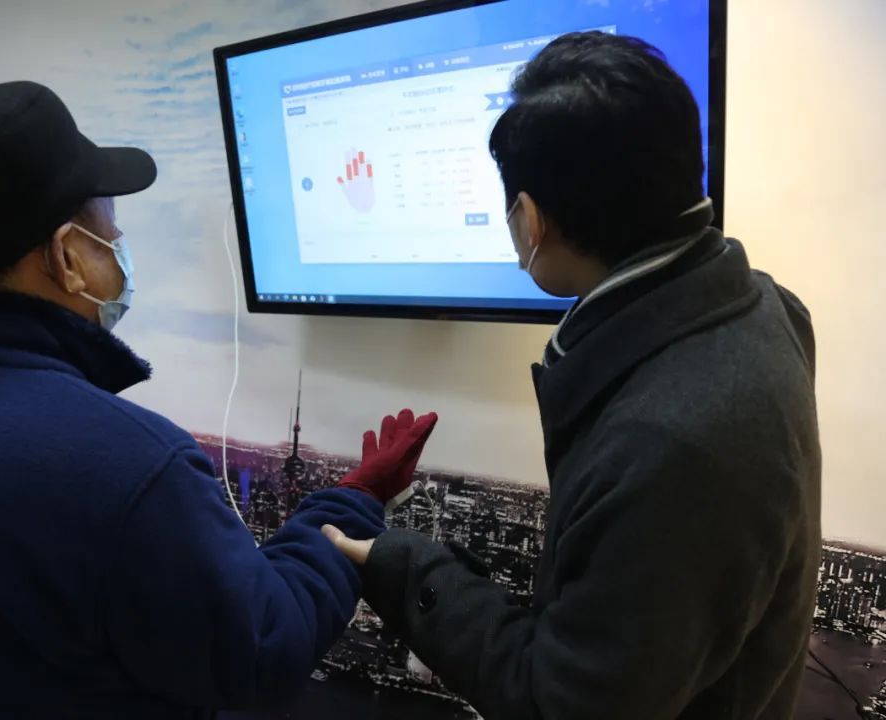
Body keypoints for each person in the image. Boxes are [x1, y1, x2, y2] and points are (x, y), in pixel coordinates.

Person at [0, 80, 437, 719]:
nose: (120, 244)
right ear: (68, 257)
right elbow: (263, 650)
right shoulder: (123, 464)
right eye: (110, 228)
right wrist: (356, 497)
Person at [323, 31, 821, 720]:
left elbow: (558, 702)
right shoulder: (764, 305)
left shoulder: (667, 441)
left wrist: (402, 565)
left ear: (529, 220)